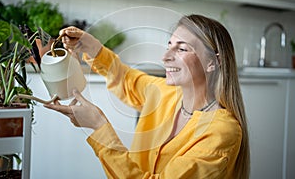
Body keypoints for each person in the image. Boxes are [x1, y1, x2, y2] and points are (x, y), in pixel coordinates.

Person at [44, 14, 250, 179]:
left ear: (213, 62)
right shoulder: (165, 93)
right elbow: (126, 79)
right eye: (169, 45)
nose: (166, 57)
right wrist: (92, 47)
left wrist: (99, 127)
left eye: (182, 48)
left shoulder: (222, 133)